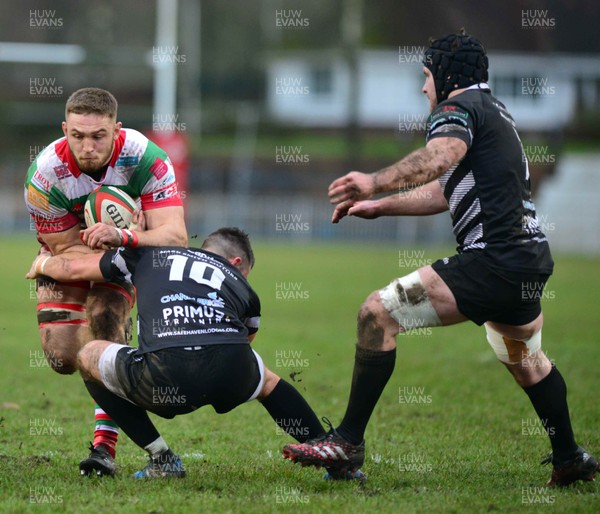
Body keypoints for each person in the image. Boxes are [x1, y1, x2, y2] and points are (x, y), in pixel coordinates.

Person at [282, 30, 599, 487]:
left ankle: (348, 442)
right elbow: (446, 189)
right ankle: (570, 457)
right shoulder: (497, 115)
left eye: (426, 76)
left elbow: (439, 157)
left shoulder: (458, 109)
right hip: (526, 263)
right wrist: (381, 206)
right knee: (527, 362)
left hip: (491, 261)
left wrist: (374, 183)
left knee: (377, 314)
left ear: (447, 76)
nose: (424, 88)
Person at [26, 227, 361, 479]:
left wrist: (43, 262)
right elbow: (247, 339)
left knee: (87, 355)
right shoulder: (242, 285)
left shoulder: (147, 254)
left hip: (163, 376)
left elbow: (72, 270)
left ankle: (162, 459)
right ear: (236, 262)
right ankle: (329, 452)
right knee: (268, 381)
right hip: (231, 370)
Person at [24, 87, 188, 476]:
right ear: (65, 129)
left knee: (105, 324)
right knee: (62, 357)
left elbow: (175, 236)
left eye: (98, 136)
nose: (87, 146)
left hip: (124, 252)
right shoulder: (44, 176)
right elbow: (67, 253)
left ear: (117, 129)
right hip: (75, 255)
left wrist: (125, 239)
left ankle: (104, 448)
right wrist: (103, 254)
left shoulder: (146, 158)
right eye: (77, 136)